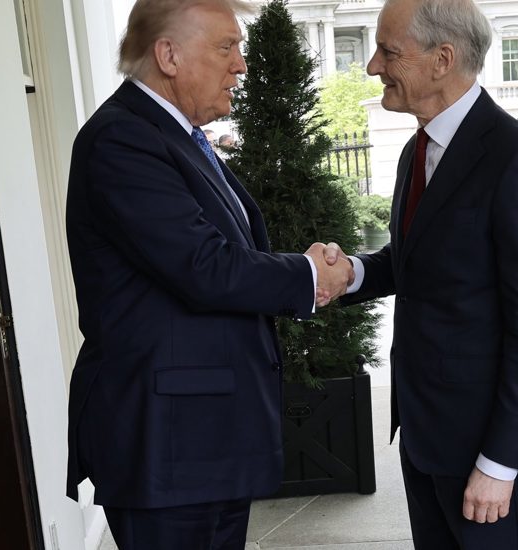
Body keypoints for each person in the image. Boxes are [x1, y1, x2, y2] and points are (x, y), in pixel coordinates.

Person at [63, 0, 352, 548]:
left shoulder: (176, 135)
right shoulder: (121, 139)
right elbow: (203, 266)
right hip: (168, 445)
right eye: (226, 47)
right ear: (168, 55)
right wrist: (307, 275)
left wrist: (305, 271)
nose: (240, 64)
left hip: (205, 442)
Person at [327, 0, 518, 546]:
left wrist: (500, 462)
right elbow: (419, 262)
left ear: (442, 59)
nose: (373, 66)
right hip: (425, 433)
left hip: (482, 447)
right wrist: (351, 274)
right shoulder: (417, 150)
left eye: (388, 52)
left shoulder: (517, 160)